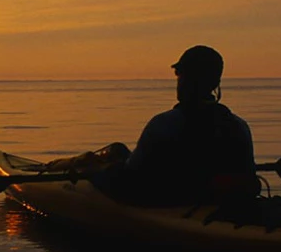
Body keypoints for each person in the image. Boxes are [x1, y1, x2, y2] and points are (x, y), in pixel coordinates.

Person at [101, 46, 258, 207]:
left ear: (184, 78)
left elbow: (132, 173)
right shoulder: (239, 126)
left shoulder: (164, 124)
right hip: (221, 200)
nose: (178, 79)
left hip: (176, 200)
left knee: (110, 176)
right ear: (215, 82)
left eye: (179, 73)